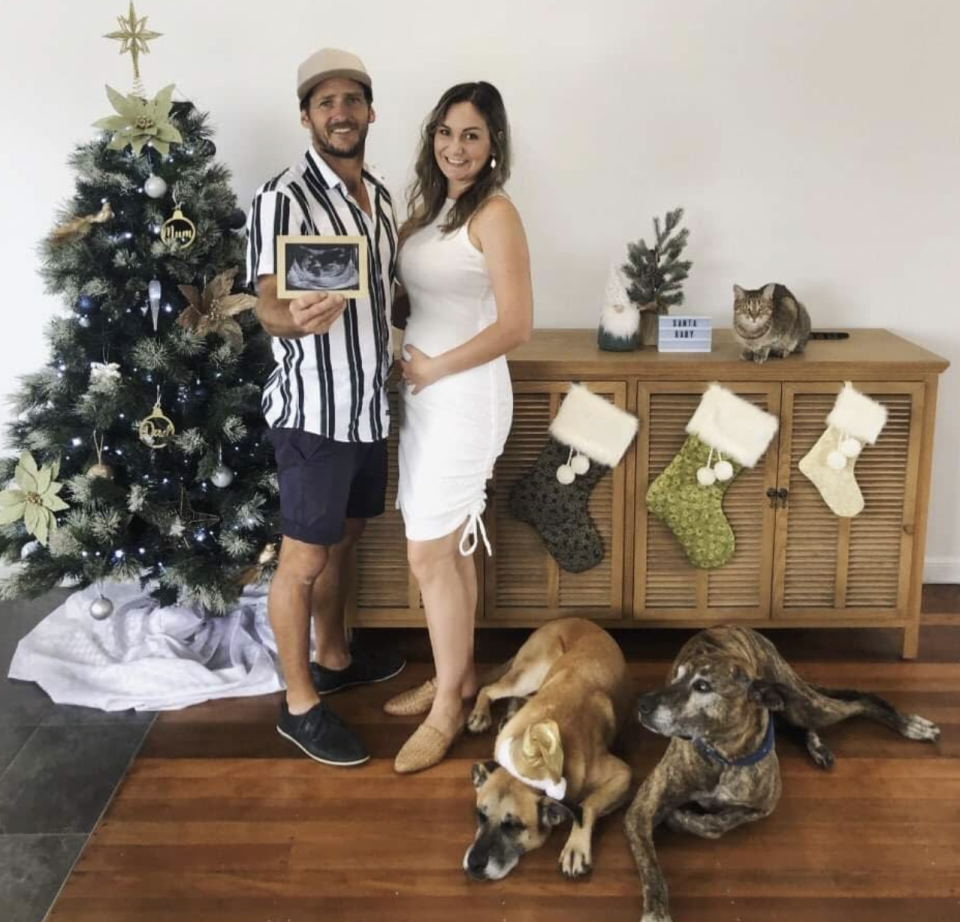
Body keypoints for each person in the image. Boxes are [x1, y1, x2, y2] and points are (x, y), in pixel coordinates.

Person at [246, 48, 404, 767]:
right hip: (314, 411)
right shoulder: (282, 196)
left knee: (345, 539)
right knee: (303, 558)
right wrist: (290, 319)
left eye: (352, 100)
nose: (340, 112)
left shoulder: (383, 197)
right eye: (324, 102)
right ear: (306, 116)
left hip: (368, 407)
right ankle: (299, 704)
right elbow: (268, 306)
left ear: (371, 111)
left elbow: (386, 298)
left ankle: (335, 656)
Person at [384, 82, 534, 773]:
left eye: (471, 134)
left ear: (494, 142)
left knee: (429, 555)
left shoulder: (496, 214)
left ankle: (448, 708)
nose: (455, 146)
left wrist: (438, 365)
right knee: (452, 549)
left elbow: (515, 324)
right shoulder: (435, 209)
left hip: (465, 395)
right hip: (426, 396)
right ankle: (461, 677)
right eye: (446, 132)